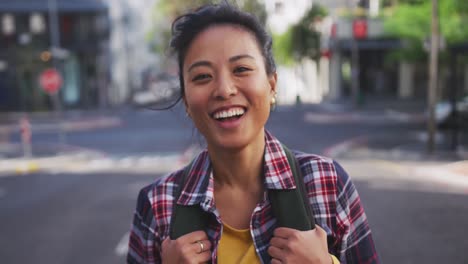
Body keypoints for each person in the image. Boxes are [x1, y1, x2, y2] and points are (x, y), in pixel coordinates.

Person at [127, 2, 380, 264]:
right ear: (187, 102)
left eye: (241, 70)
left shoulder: (327, 184)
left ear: (272, 85)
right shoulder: (157, 205)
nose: (224, 90)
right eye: (202, 76)